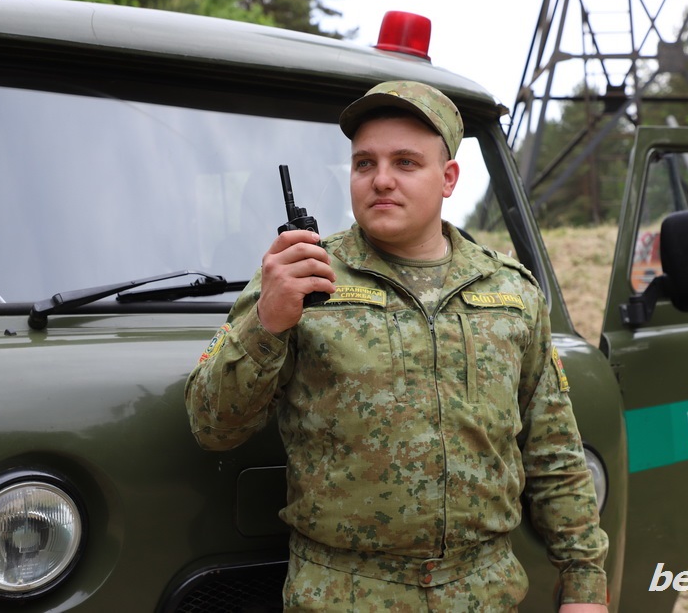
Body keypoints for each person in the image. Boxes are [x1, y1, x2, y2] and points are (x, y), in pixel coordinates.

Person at [184, 80, 608, 612]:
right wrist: (266, 325)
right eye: (365, 164)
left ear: (448, 178)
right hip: (344, 596)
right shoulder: (301, 276)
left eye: (406, 163)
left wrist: (585, 584)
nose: (381, 180)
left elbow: (553, 451)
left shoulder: (511, 292)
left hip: (483, 594)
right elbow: (212, 425)